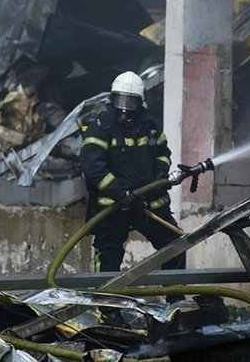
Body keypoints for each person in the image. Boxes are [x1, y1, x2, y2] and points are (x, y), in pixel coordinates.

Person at [79, 71, 186, 321]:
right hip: (113, 208)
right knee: (109, 257)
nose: (125, 110)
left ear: (140, 102)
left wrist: (159, 177)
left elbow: (162, 152)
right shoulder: (101, 126)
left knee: (175, 245)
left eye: (131, 103)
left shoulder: (149, 124)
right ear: (113, 99)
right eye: (120, 102)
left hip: (149, 204)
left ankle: (176, 300)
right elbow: (93, 169)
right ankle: (108, 311)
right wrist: (122, 193)